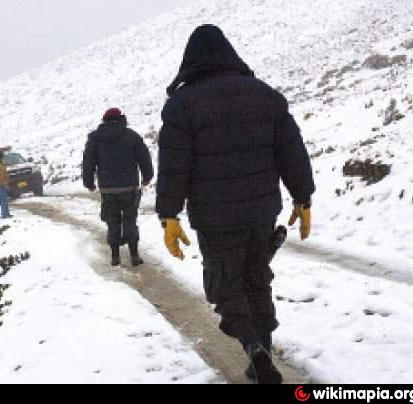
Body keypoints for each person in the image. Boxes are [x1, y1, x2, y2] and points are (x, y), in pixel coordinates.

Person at [156, 25, 315, 384]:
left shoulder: (182, 105)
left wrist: (169, 214)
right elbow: (292, 152)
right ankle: (263, 349)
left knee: (225, 285)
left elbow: (174, 165)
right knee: (258, 279)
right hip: (262, 212)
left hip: (215, 218)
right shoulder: (265, 96)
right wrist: (302, 197)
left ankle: (254, 349)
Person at [83, 108, 154, 267]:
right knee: (130, 220)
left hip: (108, 189)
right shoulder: (131, 136)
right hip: (129, 187)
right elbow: (144, 157)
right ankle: (134, 256)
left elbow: (88, 161)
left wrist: (89, 182)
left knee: (112, 221)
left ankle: (115, 257)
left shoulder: (95, 138)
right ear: (121, 118)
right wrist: (147, 176)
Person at [0, 152, 12, 219]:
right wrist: (5, 184)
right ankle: (4, 214)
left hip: (0, 184)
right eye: (2, 157)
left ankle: (6, 213)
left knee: (4, 199)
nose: (3, 158)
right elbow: (1, 177)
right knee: (4, 200)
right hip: (1, 184)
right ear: (0, 158)